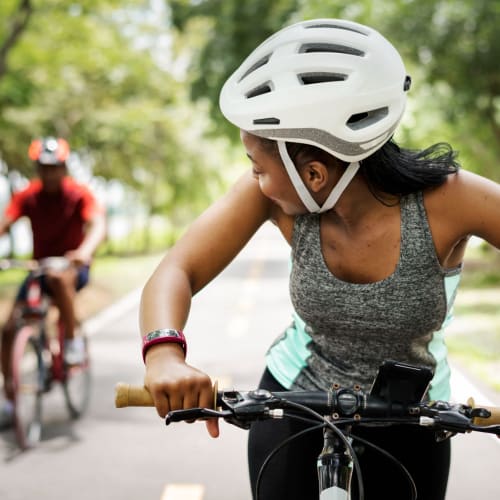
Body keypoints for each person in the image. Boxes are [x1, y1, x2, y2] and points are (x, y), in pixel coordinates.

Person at [139, 18, 500, 500]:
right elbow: (177, 270)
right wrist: (164, 354)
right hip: (296, 407)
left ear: (312, 173)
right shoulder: (270, 197)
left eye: (258, 167)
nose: (255, 179)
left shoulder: (450, 200)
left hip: (412, 418)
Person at [0, 136, 106, 428]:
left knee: (60, 278)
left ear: (64, 168)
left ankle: (71, 342)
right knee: (8, 328)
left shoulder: (78, 194)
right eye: (43, 168)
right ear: (37, 169)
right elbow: (5, 223)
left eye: (55, 167)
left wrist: (84, 252)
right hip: (39, 270)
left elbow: (98, 225)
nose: (49, 173)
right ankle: (9, 400)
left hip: (73, 269)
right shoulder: (28, 196)